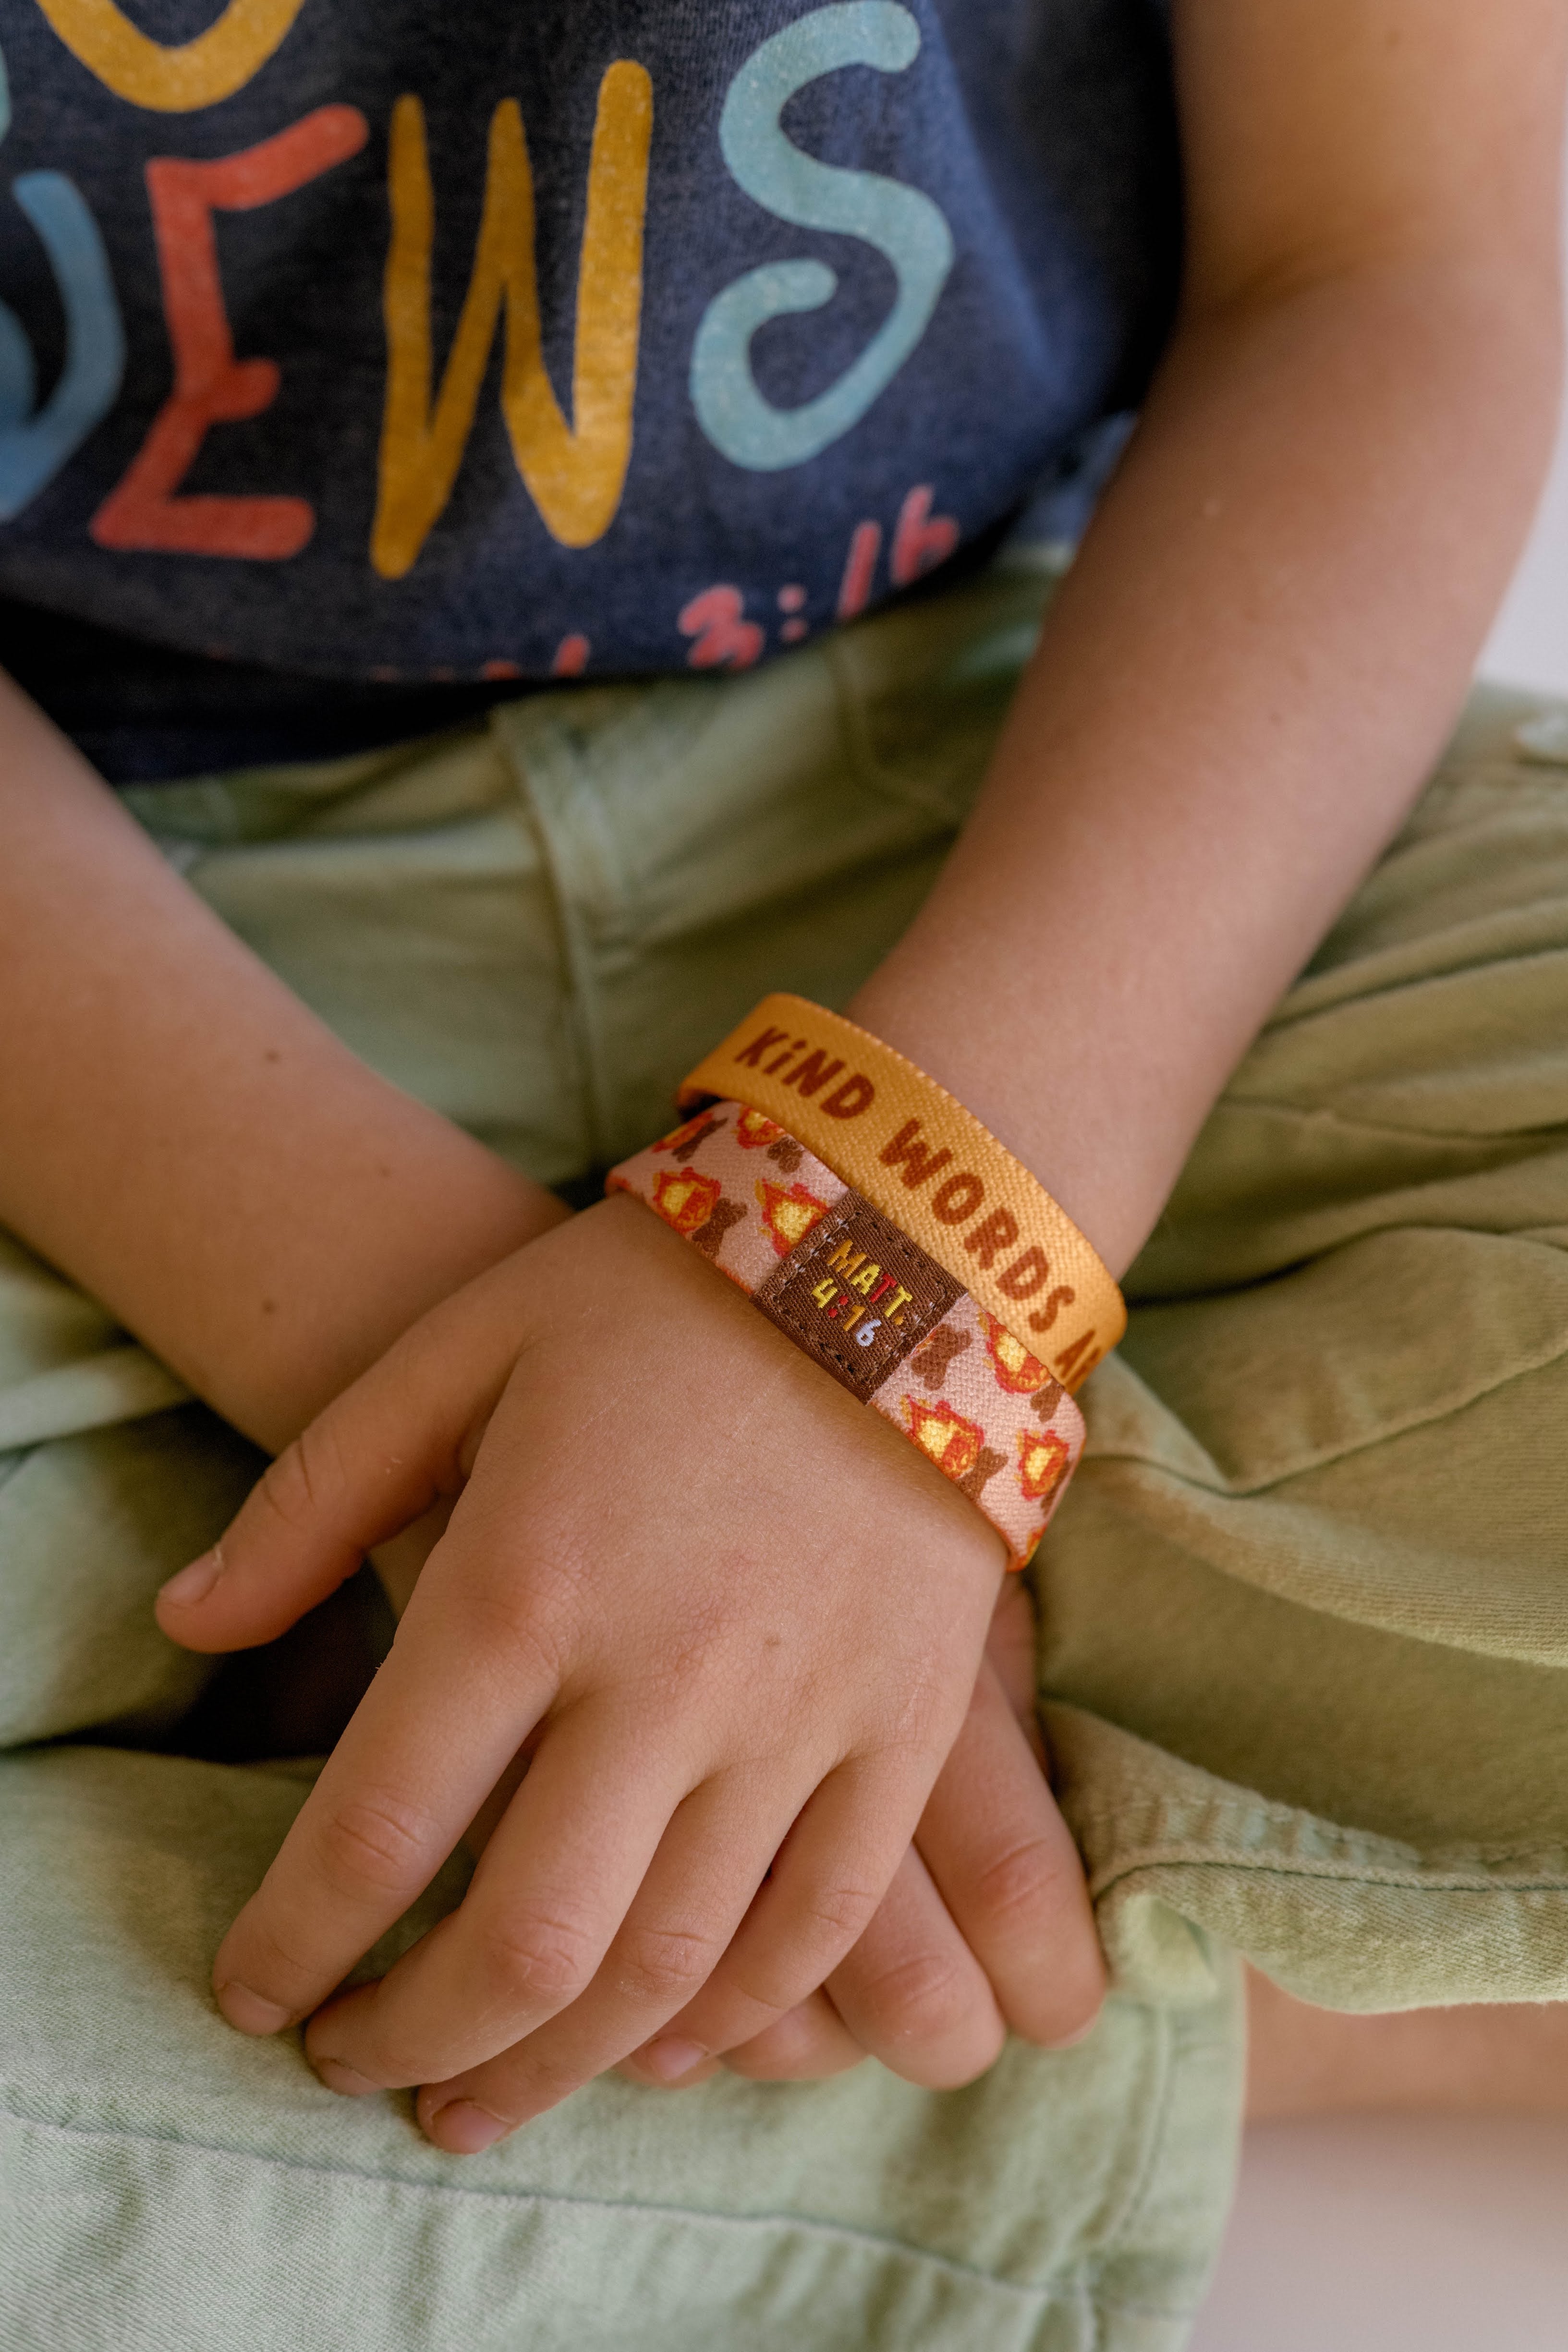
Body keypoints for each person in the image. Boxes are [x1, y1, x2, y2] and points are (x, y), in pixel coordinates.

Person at [1, 2, 1566, 2344]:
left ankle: (584, 1862)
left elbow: (1395, 254)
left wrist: (896, 1269)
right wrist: (500, 1423)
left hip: (1074, 808)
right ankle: (1172, 1996)